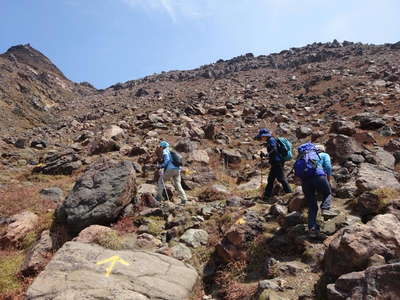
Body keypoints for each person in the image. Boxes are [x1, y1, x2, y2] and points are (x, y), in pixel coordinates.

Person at [295, 143, 336, 238]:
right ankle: (325, 209)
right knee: (327, 193)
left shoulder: (302, 157)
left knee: (312, 206)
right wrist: (328, 179)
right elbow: (328, 167)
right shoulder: (324, 155)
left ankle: (312, 230)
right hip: (319, 176)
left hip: (305, 181)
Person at [255, 128, 292, 202]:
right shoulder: (270, 140)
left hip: (277, 162)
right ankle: (266, 195)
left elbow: (274, 149)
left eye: (262, 136)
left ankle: (289, 193)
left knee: (281, 178)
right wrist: (267, 155)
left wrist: (266, 155)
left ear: (265, 136)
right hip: (276, 162)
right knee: (271, 179)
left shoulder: (271, 140)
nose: (261, 138)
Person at [156, 141, 187, 205]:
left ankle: (159, 198)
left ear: (163, 147)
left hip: (171, 169)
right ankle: (184, 199)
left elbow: (167, 160)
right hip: (178, 169)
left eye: (161, 146)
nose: (160, 148)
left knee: (160, 181)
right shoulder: (172, 151)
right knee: (178, 184)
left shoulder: (165, 151)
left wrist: (161, 166)